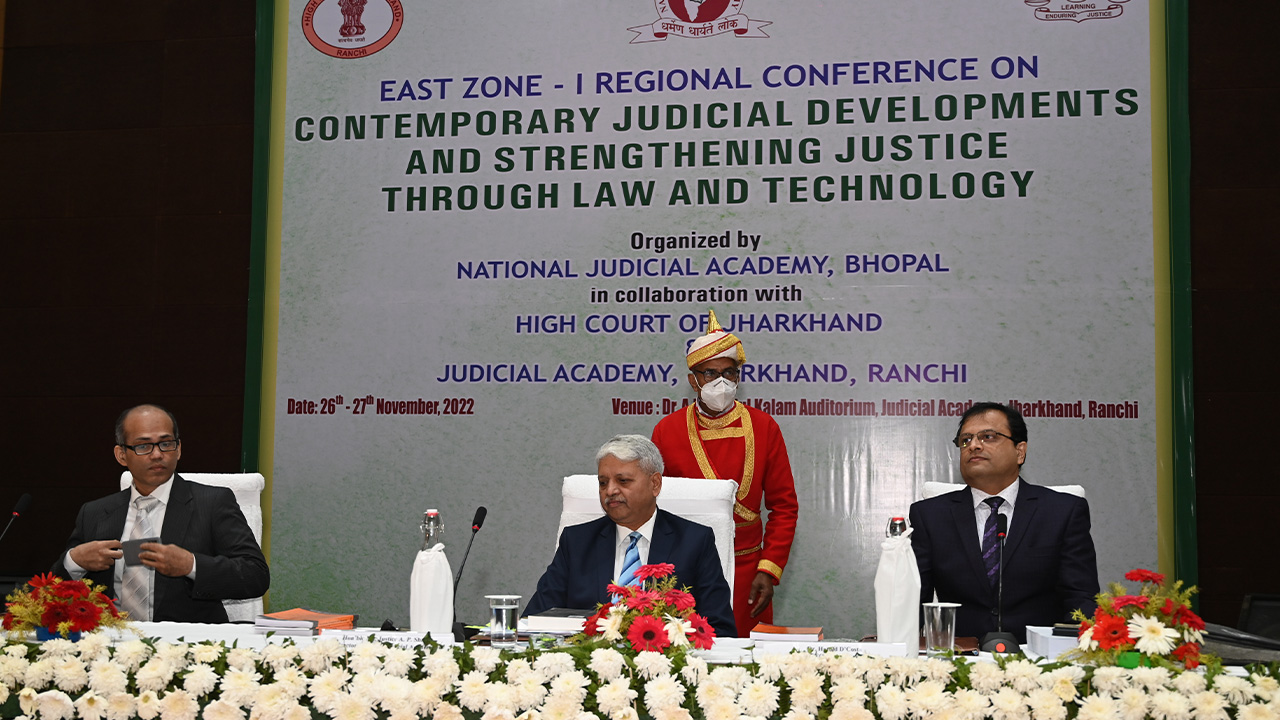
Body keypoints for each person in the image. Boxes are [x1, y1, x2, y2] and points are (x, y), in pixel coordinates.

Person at [651, 310, 799, 636]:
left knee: (747, 659)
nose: (721, 382)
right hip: (686, 571)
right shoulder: (667, 430)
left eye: (729, 373)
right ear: (693, 380)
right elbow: (657, 508)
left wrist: (768, 570)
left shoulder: (764, 427)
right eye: (710, 373)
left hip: (750, 571)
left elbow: (784, 507)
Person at [52, 404, 269, 623]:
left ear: (179, 449)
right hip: (112, 637)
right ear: (121, 455)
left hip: (185, 639)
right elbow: (51, 593)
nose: (157, 454)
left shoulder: (212, 503)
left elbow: (256, 575)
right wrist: (74, 561)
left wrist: (191, 565)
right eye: (143, 446)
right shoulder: (95, 512)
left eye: (166, 444)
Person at [908, 402, 1099, 642]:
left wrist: (1071, 652)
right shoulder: (930, 516)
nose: (974, 445)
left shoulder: (1062, 511)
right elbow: (914, 600)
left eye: (988, 436)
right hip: (960, 654)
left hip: (1037, 655)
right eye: (965, 440)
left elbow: (1080, 597)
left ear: (1020, 451)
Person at [524, 434, 736, 638]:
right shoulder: (576, 542)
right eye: (603, 482)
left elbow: (720, 629)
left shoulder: (694, 541)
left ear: (655, 484)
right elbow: (534, 620)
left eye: (623, 481)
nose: (610, 491)